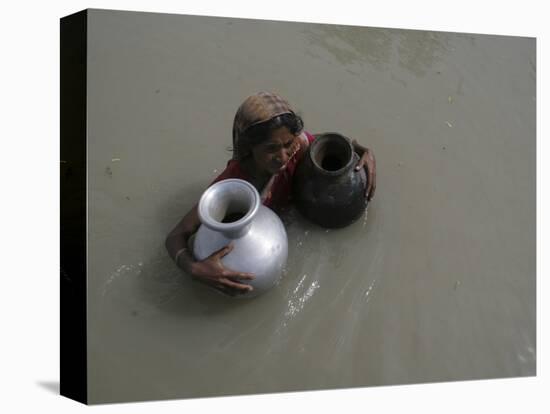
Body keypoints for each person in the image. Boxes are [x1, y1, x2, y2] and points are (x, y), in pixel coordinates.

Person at [165, 91, 376, 295]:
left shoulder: (298, 146)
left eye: (287, 144)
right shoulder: (234, 184)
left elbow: (329, 142)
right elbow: (176, 235)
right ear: (249, 148)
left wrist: (361, 150)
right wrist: (194, 269)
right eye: (271, 148)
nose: (283, 156)